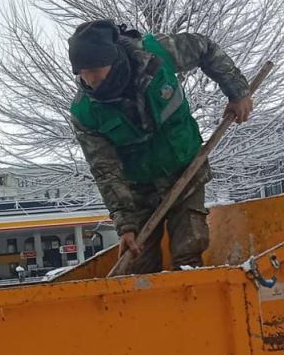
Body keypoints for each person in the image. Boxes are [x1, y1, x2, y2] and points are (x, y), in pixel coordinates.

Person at [68, 20, 252, 275]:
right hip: (138, 188)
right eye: (82, 73)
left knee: (188, 252)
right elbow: (105, 170)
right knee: (140, 266)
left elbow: (205, 49)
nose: (91, 80)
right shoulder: (85, 113)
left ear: (113, 58)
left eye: (97, 69)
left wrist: (238, 93)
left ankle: (194, 308)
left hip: (185, 168)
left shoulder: (155, 56)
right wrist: (126, 225)